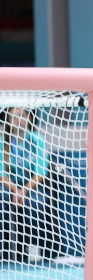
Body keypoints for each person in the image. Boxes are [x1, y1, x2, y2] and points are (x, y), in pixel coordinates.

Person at [0, 108, 50, 261]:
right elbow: (2, 174)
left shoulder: (37, 139)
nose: (18, 120)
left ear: (29, 118)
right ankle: (5, 249)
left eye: (22, 116)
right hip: (10, 186)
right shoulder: (4, 142)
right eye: (14, 117)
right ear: (8, 120)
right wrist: (16, 190)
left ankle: (33, 246)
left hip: (32, 185)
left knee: (37, 204)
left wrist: (24, 191)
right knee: (2, 199)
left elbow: (40, 173)